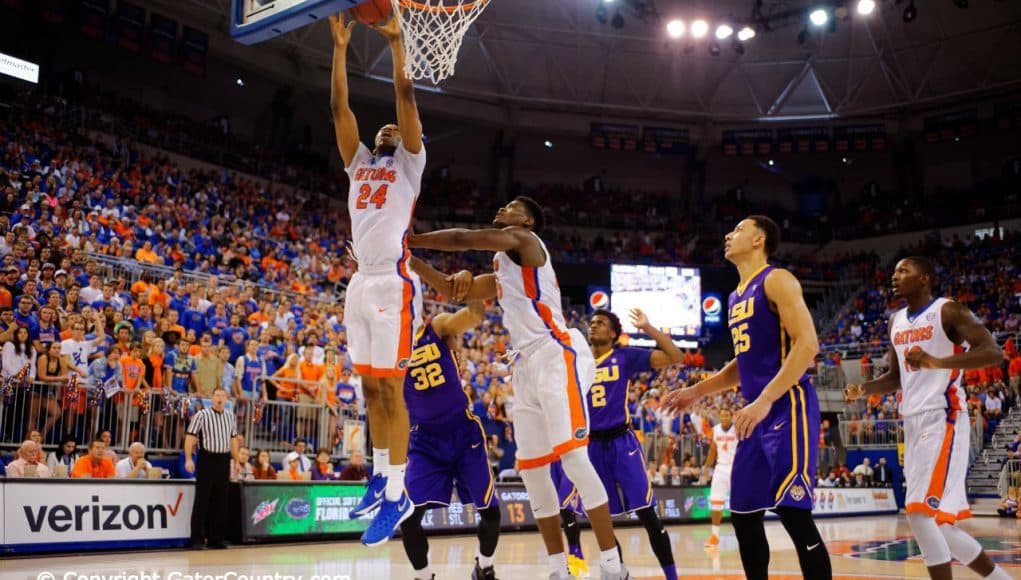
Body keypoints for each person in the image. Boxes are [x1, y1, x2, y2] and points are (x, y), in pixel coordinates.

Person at [409, 197, 626, 579]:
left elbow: (463, 238)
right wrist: (403, 261)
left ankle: (612, 566)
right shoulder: (503, 272)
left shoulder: (526, 242)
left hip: (557, 353)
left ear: (526, 220)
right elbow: (451, 289)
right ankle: (558, 568)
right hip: (525, 364)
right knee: (533, 472)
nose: (502, 208)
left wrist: (410, 240)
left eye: (511, 206)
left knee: (574, 460)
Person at [662, 216, 831, 580]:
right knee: (743, 514)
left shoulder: (777, 279)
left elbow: (808, 344)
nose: (728, 234)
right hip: (755, 412)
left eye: (738, 229)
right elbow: (744, 363)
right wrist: (696, 390)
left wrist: (766, 399)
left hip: (788, 403)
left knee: (793, 512)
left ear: (759, 240)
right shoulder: (736, 295)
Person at [845, 256, 1012, 580]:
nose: (895, 276)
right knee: (939, 525)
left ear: (924, 279)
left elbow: (994, 352)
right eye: (893, 272)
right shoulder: (895, 321)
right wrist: (863, 389)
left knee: (921, 515)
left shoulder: (948, 311)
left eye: (904, 271)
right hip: (913, 419)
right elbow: (895, 377)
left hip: (943, 416)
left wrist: (936, 362)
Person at [329, 10, 427, 546]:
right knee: (369, 387)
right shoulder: (359, 160)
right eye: (383, 128)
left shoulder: (409, 163)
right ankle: (380, 477)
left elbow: (407, 99)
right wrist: (341, 49)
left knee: (391, 392)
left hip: (393, 282)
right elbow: (338, 107)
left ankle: (398, 493)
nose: (387, 128)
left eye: (394, 128)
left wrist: (396, 45)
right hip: (360, 284)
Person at [394, 300, 501, 580]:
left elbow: (474, 315)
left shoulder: (436, 326)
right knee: (409, 516)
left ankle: (485, 566)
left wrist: (471, 292)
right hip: (425, 440)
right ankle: (424, 575)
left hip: (463, 434)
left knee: (491, 512)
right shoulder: (387, 348)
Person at [583, 308, 682, 579]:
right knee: (602, 523)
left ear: (613, 334)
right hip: (591, 447)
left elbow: (676, 356)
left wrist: (648, 328)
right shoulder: (578, 362)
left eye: (600, 323)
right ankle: (620, 574)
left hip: (621, 442)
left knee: (648, 515)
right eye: (591, 323)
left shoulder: (624, 356)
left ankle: (672, 576)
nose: (593, 326)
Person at [184, 387, 240, 550]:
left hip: (223, 459)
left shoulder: (230, 416)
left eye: (222, 395)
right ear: (211, 398)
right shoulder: (202, 415)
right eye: (217, 395)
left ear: (227, 398)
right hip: (207, 458)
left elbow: (233, 440)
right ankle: (196, 539)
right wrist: (188, 458)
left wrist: (236, 460)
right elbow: (190, 436)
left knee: (221, 501)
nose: (220, 398)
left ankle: (216, 538)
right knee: (202, 499)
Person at [704, 407, 738, 548]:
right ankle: (715, 536)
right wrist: (706, 468)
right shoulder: (715, 429)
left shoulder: (738, 428)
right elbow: (712, 449)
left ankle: (742, 533)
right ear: (719, 417)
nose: (724, 417)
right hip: (720, 468)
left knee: (739, 504)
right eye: (722, 415)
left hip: (735, 469)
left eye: (727, 415)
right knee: (716, 502)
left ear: (731, 416)